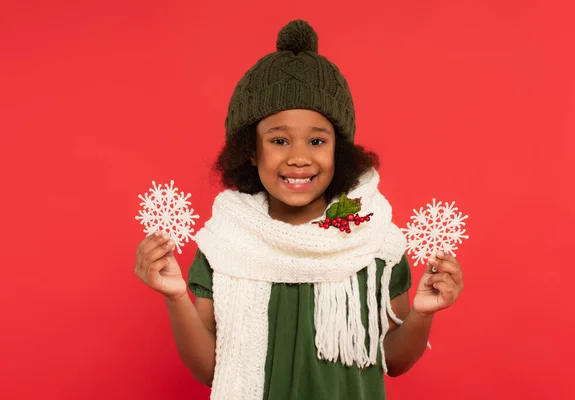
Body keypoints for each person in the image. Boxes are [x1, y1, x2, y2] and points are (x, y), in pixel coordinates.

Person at [135, 19, 464, 400]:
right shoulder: (226, 244)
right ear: (251, 151)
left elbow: (394, 360)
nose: (298, 158)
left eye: (316, 140)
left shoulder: (373, 243)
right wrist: (175, 296)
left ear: (338, 151)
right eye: (279, 140)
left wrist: (423, 314)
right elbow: (212, 370)